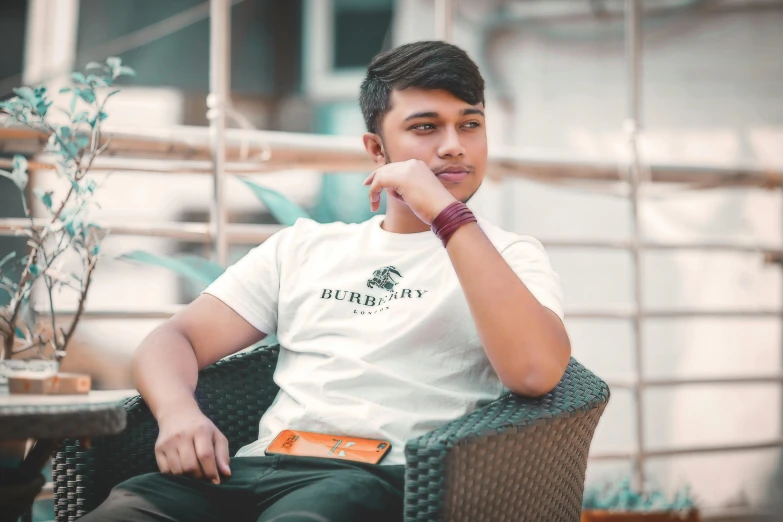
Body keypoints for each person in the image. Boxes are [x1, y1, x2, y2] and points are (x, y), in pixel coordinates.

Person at [83, 40, 570, 522]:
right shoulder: (306, 247)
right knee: (127, 509)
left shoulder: (507, 255)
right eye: (426, 127)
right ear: (377, 149)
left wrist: (446, 215)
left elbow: (534, 373)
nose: (453, 145)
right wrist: (177, 414)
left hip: (378, 479)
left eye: (470, 124)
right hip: (250, 470)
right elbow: (174, 338)